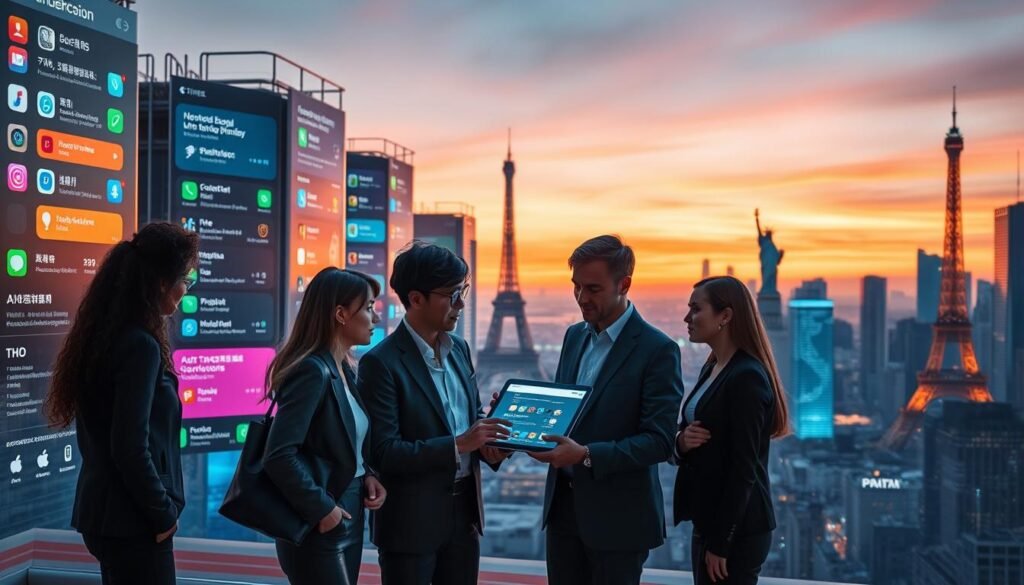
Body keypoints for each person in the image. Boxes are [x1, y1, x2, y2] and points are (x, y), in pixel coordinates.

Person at [47, 222, 199, 585]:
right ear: (161, 282)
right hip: (133, 520)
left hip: (107, 516)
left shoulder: (107, 337)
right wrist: (162, 513)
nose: (186, 290)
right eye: (185, 280)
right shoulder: (140, 346)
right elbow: (129, 447)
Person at [532, 235, 684, 585]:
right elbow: (566, 413)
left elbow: (660, 441)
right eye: (576, 286)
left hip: (620, 522)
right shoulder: (573, 337)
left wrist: (586, 455)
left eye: (593, 289)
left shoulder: (657, 350)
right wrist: (523, 421)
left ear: (624, 284)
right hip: (563, 514)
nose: (581, 298)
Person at [358, 241, 511, 585]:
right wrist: (459, 444)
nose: (461, 304)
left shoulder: (460, 350)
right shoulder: (381, 364)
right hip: (409, 524)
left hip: (465, 517)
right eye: (452, 295)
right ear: (416, 299)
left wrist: (491, 444)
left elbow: (471, 420)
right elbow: (384, 452)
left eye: (463, 292)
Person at [263, 267, 388, 585]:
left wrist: (366, 474)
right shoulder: (311, 371)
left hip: (346, 510)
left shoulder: (343, 368)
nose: (376, 317)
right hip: (319, 518)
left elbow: (337, 442)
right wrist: (322, 509)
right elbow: (279, 455)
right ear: (341, 314)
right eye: (369, 308)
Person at [674, 276, 789, 585]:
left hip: (737, 530)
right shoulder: (713, 367)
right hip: (709, 519)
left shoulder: (746, 377)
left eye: (696, 309)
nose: (687, 318)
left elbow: (744, 469)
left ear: (725, 316)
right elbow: (689, 431)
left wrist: (721, 542)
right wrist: (681, 442)